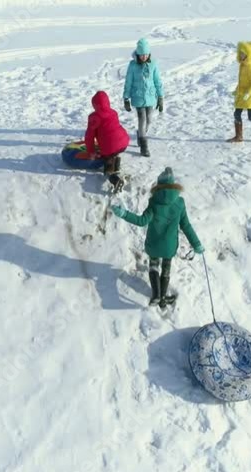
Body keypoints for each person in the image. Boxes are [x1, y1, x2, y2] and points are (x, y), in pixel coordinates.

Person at [111, 167, 204, 308]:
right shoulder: (180, 203)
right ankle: (162, 299)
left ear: (159, 185)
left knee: (154, 266)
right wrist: (196, 244)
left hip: (154, 244)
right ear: (173, 185)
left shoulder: (154, 202)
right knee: (166, 269)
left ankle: (156, 295)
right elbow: (186, 226)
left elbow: (141, 221)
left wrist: (124, 214)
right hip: (169, 246)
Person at [123, 38, 164, 157]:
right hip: (138, 96)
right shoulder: (132, 65)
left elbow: (157, 81)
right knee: (142, 119)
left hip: (150, 97)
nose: (144, 57)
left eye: (146, 54)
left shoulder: (153, 64)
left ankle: (141, 134)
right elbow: (128, 81)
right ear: (138, 54)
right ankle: (144, 145)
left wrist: (160, 97)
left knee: (149, 119)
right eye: (142, 55)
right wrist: (126, 98)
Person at [85, 90, 130, 191]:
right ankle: (117, 163)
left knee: (107, 163)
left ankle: (115, 179)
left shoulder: (94, 117)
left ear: (95, 105)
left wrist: (91, 151)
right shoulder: (113, 112)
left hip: (110, 147)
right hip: (123, 142)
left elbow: (89, 137)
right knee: (114, 150)